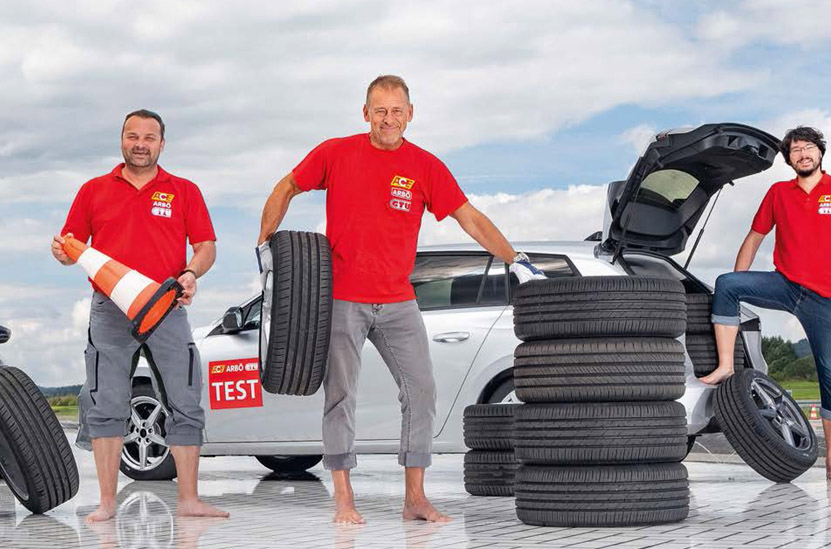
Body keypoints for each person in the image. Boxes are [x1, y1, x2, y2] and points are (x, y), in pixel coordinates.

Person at [256, 75, 544, 524]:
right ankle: (344, 498)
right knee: (340, 396)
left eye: (396, 111)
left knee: (422, 391)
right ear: (365, 113)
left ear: (410, 114)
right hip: (344, 298)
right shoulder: (335, 153)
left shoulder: (425, 166)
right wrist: (265, 244)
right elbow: (286, 186)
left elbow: (469, 217)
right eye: (380, 111)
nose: (387, 119)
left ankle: (415, 498)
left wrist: (515, 258)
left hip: (398, 300)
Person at [51, 110, 229, 521]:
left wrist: (190, 273)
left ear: (162, 144)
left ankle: (189, 500)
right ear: (122, 140)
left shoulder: (184, 190)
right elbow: (71, 247)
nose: (140, 144)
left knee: (185, 400)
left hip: (166, 306)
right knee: (107, 403)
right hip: (109, 310)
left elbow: (206, 247)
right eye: (133, 136)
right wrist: (62, 252)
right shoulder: (93, 190)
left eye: (149, 137)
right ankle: (107, 503)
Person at [698, 126, 831, 483]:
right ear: (788, 159)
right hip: (785, 285)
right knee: (727, 284)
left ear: (820, 152)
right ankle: (726, 366)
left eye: (808, 147)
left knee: (830, 376)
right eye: (796, 150)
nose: (803, 154)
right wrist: (740, 282)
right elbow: (754, 237)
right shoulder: (778, 193)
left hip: (828, 300)